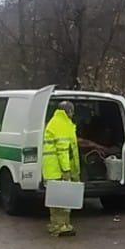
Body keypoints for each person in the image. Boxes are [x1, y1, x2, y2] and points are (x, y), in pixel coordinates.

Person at [43, 101, 81, 237]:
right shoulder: (62, 125)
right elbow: (63, 150)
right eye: (72, 111)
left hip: (51, 168)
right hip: (59, 169)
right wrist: (66, 170)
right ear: (68, 111)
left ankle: (56, 225)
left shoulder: (54, 122)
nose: (73, 114)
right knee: (63, 200)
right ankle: (61, 226)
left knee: (56, 199)